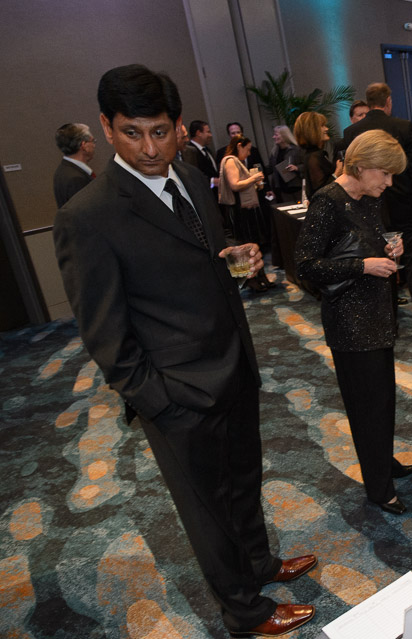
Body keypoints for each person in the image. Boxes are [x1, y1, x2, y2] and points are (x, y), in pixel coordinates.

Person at [53, 64, 315, 638]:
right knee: (208, 511)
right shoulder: (87, 216)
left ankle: (259, 563)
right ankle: (244, 611)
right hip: (176, 393)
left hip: (233, 365)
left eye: (160, 131)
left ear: (177, 126)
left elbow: (203, 253)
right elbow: (103, 331)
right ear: (107, 127)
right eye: (131, 133)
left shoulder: (193, 178)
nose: (149, 149)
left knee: (243, 480)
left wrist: (234, 254)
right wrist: (159, 401)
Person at [295, 130, 412, 515]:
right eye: (385, 173)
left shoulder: (368, 198)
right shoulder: (327, 202)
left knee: (383, 398)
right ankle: (379, 489)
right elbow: (305, 266)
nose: (389, 182)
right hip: (349, 322)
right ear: (361, 167)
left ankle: (383, 461)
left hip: (377, 313)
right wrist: (362, 266)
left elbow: (363, 244)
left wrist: (389, 248)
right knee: (367, 407)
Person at [342, 82, 412, 336]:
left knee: (382, 266)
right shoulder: (402, 127)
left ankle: (389, 324)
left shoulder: (352, 132)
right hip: (407, 207)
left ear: (368, 101)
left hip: (371, 212)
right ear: (388, 101)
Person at [219, 135, 274, 292]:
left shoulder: (236, 161)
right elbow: (235, 185)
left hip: (244, 210)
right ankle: (251, 280)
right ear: (239, 146)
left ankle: (260, 277)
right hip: (238, 211)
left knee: (253, 243)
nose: (249, 153)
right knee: (244, 245)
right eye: (247, 149)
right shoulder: (230, 161)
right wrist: (254, 178)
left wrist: (255, 184)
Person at [53, 123, 96, 207]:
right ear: (84, 145)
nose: (94, 145)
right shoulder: (76, 179)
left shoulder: (63, 170)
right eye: (93, 141)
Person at [293, 111, 334, 199]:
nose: (326, 129)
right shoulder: (314, 157)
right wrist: (337, 173)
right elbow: (320, 190)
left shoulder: (311, 155)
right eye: (322, 126)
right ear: (312, 131)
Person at [182, 120, 219, 192]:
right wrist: (211, 181)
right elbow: (192, 175)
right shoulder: (188, 153)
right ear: (198, 133)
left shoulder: (208, 150)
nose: (210, 135)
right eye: (208, 132)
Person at [268, 125, 302, 202]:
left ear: (284, 135)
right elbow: (271, 168)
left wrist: (297, 168)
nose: (274, 137)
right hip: (282, 190)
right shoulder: (274, 152)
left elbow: (306, 165)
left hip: (296, 188)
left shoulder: (296, 150)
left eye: (276, 135)